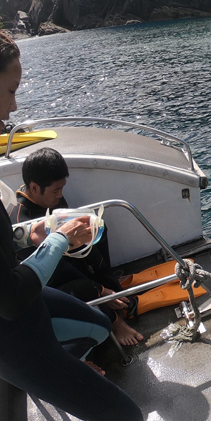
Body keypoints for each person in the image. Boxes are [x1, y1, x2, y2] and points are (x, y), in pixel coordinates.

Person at [0, 31, 142, 421]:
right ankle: (66, 379)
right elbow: (9, 298)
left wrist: (29, 234)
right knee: (125, 415)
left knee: (98, 324)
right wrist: (58, 240)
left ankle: (71, 375)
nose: (12, 109)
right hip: (13, 336)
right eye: (10, 91)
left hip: (27, 306)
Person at [9, 146, 144, 346]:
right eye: (56, 190)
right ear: (35, 188)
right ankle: (115, 320)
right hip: (50, 284)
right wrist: (99, 290)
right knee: (77, 284)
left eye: (62, 189)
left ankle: (111, 283)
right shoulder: (22, 223)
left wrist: (104, 281)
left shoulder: (51, 198)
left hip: (68, 260)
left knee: (98, 228)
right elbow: (57, 272)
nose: (60, 196)